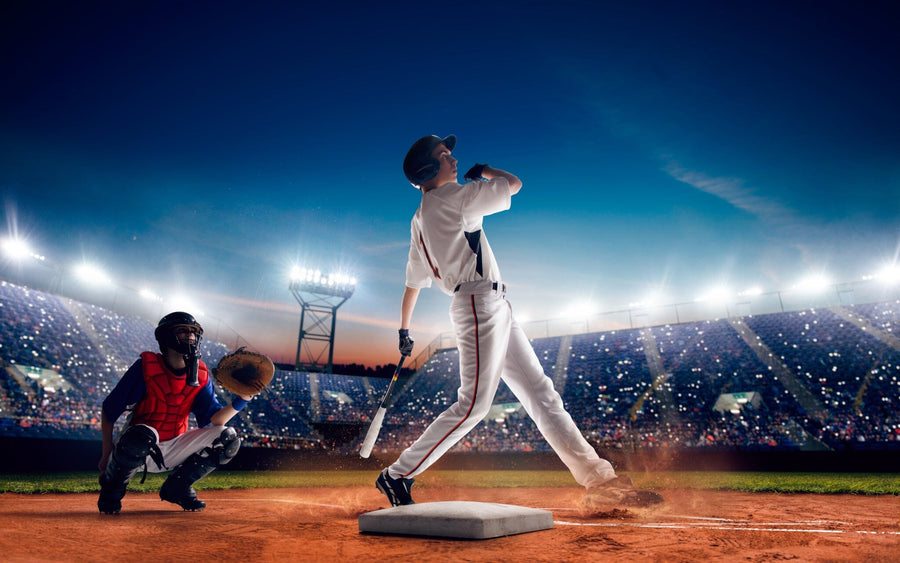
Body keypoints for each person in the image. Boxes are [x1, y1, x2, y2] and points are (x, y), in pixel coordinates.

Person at [375, 134, 663, 509]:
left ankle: (600, 480)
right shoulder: (455, 198)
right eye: (445, 156)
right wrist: (486, 171)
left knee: (541, 394)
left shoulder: (419, 217)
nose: (454, 160)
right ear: (429, 169)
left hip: (489, 303)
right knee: (474, 405)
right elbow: (513, 184)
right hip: (479, 302)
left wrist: (404, 330)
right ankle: (397, 474)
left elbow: (413, 283)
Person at [97, 311, 253, 514]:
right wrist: (106, 453)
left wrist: (243, 399)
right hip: (139, 447)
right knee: (143, 434)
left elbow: (215, 420)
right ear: (166, 336)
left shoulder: (201, 374)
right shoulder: (146, 366)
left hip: (175, 446)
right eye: (183, 331)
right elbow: (109, 410)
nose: (190, 336)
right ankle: (112, 489)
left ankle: (177, 487)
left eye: (193, 332)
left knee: (228, 438)